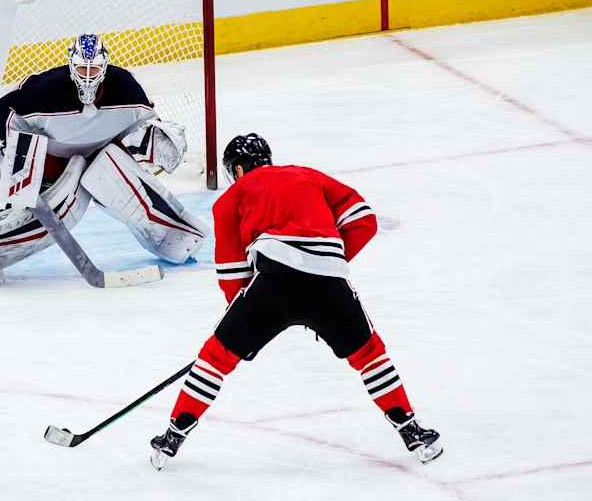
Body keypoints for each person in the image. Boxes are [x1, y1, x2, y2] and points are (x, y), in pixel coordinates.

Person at [149, 133, 442, 469]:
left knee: (215, 358)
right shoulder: (307, 175)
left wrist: (241, 329)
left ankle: (173, 436)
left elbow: (232, 273)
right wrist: (330, 262)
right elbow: (364, 220)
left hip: (272, 283)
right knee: (369, 355)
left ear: (239, 169)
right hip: (329, 280)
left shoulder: (231, 198)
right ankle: (412, 432)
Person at [0, 34, 208, 285]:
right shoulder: (45, 89)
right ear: (71, 67)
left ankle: (175, 236)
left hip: (101, 154)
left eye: (93, 70)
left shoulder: (124, 86)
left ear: (104, 68)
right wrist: (14, 156)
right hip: (54, 163)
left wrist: (159, 141)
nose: (87, 77)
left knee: (110, 166)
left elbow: (147, 125)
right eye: (82, 70)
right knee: (61, 212)